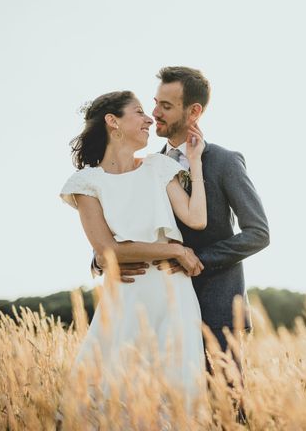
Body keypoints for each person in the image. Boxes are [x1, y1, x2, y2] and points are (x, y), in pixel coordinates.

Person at [92, 67, 270, 420]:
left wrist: (194, 258)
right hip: (155, 310)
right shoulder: (143, 167)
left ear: (194, 112)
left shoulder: (224, 161)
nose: (154, 112)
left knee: (226, 413)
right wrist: (102, 259)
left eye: (166, 106)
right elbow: (119, 224)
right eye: (155, 103)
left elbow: (258, 232)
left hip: (215, 308)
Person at [60, 90, 208, 411]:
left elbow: (196, 218)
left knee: (177, 388)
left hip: (175, 293)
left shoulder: (157, 166)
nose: (148, 118)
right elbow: (106, 251)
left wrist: (194, 164)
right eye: (139, 112)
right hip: (128, 294)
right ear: (113, 121)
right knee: (112, 387)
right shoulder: (85, 182)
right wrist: (174, 252)